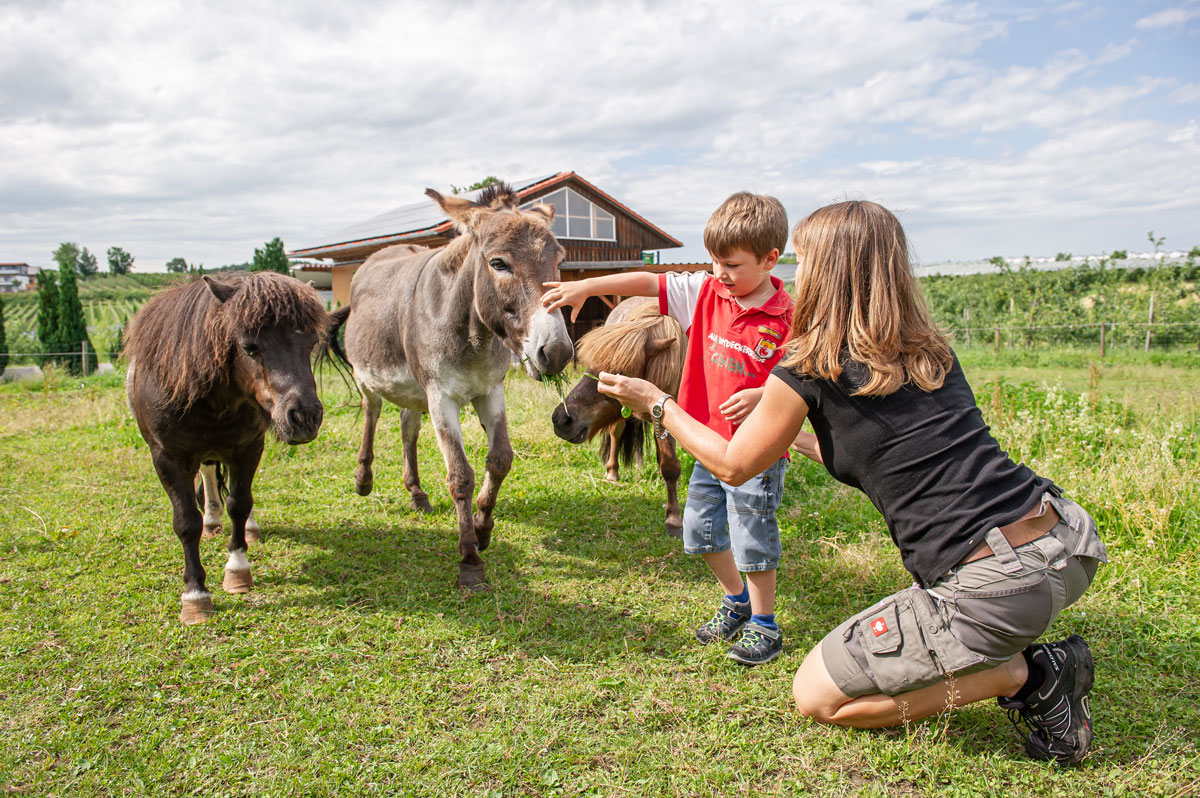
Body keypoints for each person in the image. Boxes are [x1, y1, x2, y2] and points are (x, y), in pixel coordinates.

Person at [594, 200, 1107, 766]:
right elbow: (880, 450)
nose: (796, 271)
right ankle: (1011, 652)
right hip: (1066, 541)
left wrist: (658, 403)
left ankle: (1026, 675)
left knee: (817, 697)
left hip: (992, 583)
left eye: (804, 259)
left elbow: (733, 467)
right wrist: (783, 432)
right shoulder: (930, 350)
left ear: (828, 272)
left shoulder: (809, 369)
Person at [542, 192, 795, 666]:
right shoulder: (706, 293)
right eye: (715, 262)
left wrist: (763, 396)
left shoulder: (787, 318)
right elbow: (649, 281)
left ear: (769, 260)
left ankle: (765, 626)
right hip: (706, 444)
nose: (719, 273)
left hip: (757, 451)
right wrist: (583, 288)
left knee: (752, 537)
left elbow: (801, 378)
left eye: (731, 265)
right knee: (698, 532)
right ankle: (736, 600)